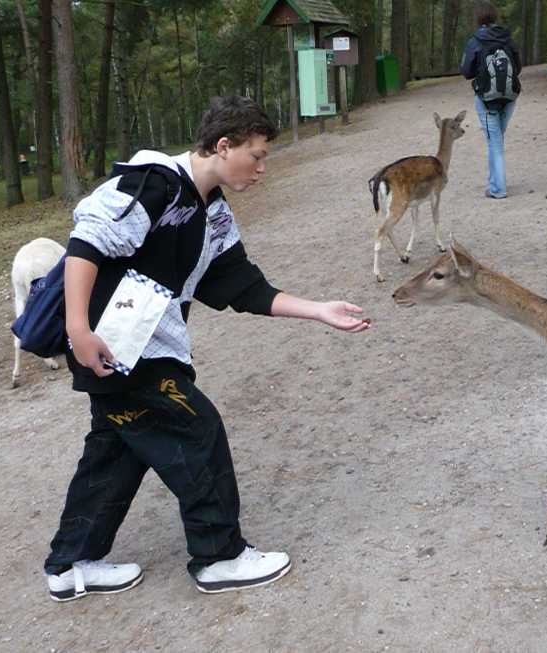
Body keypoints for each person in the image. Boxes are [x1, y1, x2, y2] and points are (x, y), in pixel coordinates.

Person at [43, 95, 370, 602]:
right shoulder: (153, 182)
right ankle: (219, 557)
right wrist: (78, 329)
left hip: (138, 352)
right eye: (256, 155)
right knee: (197, 429)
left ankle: (70, 564)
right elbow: (86, 244)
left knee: (116, 451)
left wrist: (319, 310)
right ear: (223, 146)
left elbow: (242, 286)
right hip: (116, 350)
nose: (262, 168)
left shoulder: (213, 212)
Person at [460, 0, 521, 200]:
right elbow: (518, 68)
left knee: (494, 142)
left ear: (478, 18)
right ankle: (494, 181)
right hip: (509, 96)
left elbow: (466, 71)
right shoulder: (507, 38)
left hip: (487, 98)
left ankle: (498, 188)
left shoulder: (475, 41)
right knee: (497, 140)